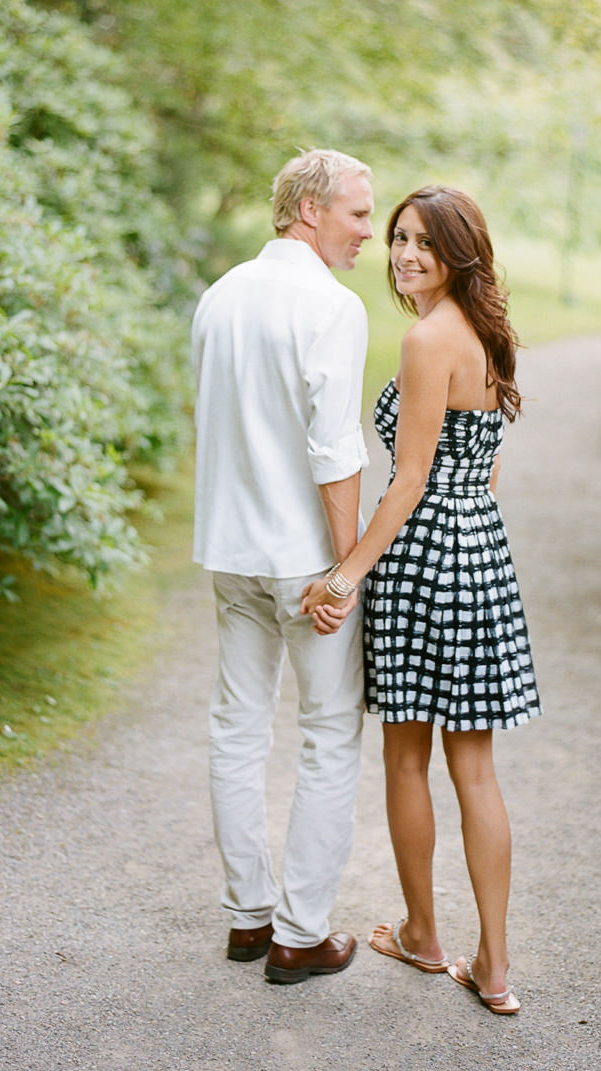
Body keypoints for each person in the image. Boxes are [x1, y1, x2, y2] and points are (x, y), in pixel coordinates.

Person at [301, 184, 541, 1016]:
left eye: (423, 243)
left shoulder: (424, 337)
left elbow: (406, 480)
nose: (404, 253)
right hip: (480, 551)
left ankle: (425, 935)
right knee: (475, 769)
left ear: (458, 252)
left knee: (407, 758)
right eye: (397, 237)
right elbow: (485, 463)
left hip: (421, 559)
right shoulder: (487, 334)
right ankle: (496, 968)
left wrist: (346, 573)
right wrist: (463, 527)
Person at [190, 148, 373, 985]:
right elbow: (336, 451)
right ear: (309, 208)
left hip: (230, 549)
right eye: (358, 213)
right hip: (305, 563)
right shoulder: (331, 306)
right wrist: (347, 566)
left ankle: (247, 918)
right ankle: (301, 932)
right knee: (330, 730)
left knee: (238, 726)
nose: (370, 231)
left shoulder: (220, 296)